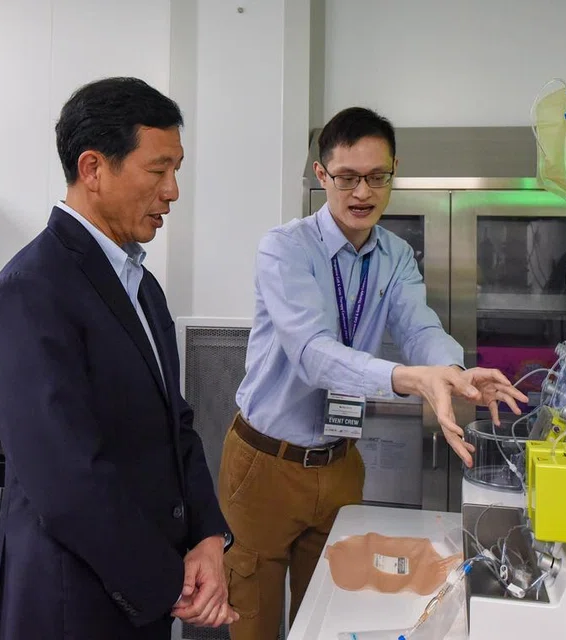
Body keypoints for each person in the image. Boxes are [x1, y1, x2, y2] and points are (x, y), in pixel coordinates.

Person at [218, 106, 528, 639]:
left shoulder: (395, 255)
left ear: (394, 173)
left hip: (340, 460)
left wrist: (452, 371)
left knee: (329, 615)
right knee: (255, 619)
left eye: (377, 176)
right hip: (267, 462)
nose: (363, 192)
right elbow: (313, 354)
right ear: (322, 175)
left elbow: (418, 327)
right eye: (347, 178)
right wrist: (412, 379)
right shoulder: (285, 248)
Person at [0, 77, 236, 639]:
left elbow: (176, 424)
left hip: (144, 589)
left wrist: (208, 538)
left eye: (177, 170)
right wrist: (168, 582)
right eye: (158, 170)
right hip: (72, 602)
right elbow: (66, 480)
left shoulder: (140, 285)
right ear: (93, 168)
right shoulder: (31, 291)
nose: (173, 191)